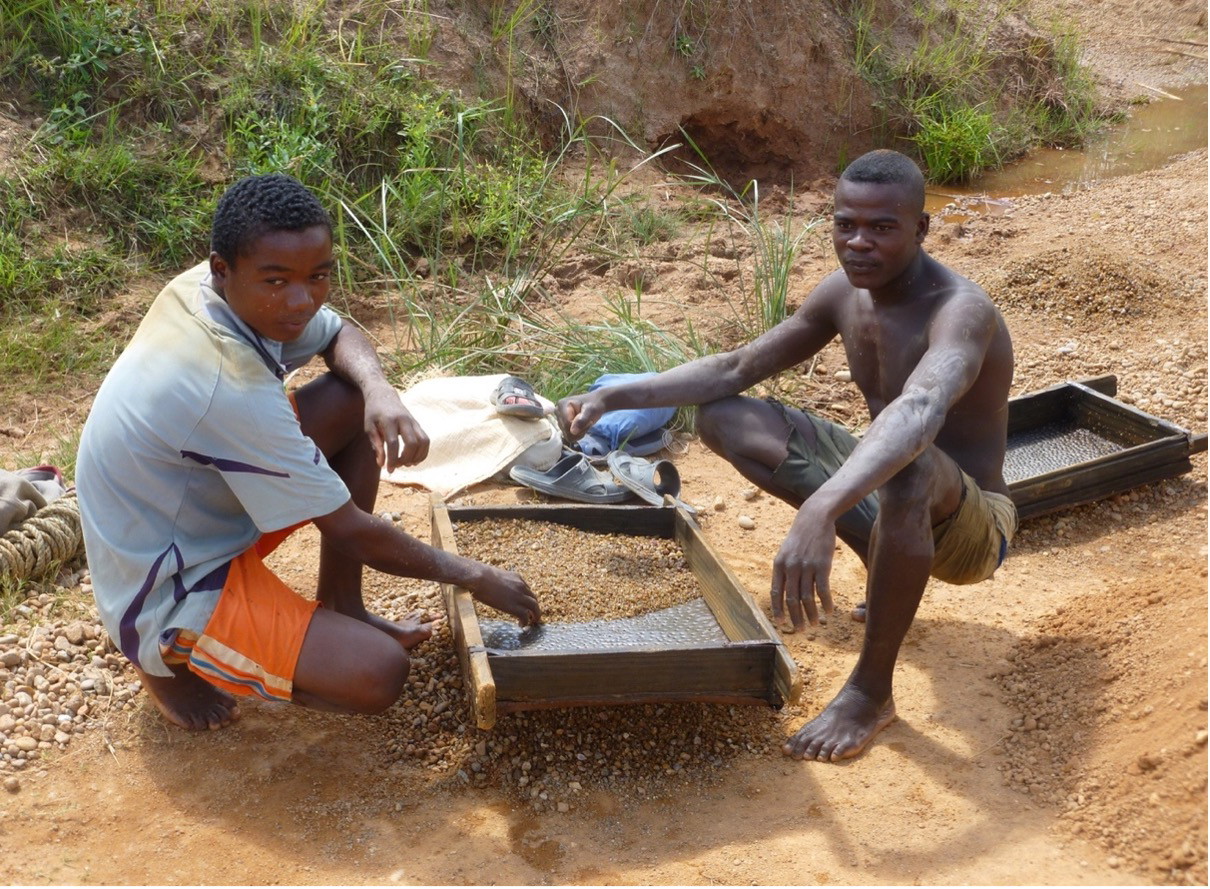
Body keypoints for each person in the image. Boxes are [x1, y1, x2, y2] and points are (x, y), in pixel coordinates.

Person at [558, 150, 1015, 762]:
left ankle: (870, 695)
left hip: (974, 524)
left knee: (907, 460)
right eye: (844, 224)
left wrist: (821, 508)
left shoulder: (960, 311)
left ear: (921, 230)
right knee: (723, 414)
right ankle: (882, 560)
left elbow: (919, 411)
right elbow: (736, 367)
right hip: (898, 496)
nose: (859, 243)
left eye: (882, 228)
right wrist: (616, 393)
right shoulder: (843, 294)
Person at [76, 173, 540, 732]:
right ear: (223, 269)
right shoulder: (225, 383)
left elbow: (338, 332)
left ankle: (343, 602)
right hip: (168, 574)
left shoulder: (213, 287)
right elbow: (349, 528)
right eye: (278, 281)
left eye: (317, 276)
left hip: (195, 501)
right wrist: (473, 575)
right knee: (377, 674)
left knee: (351, 398)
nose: (300, 301)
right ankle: (164, 654)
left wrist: (380, 392)